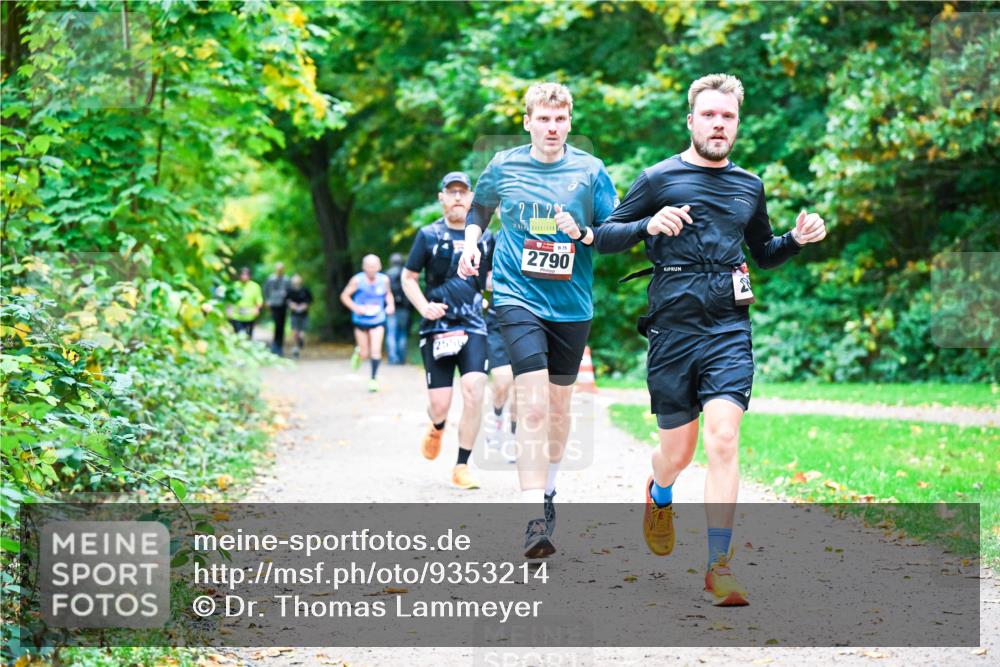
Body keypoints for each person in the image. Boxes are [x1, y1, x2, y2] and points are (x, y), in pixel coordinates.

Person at [594, 73, 827, 606]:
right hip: (673, 329)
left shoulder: (749, 185)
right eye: (709, 115)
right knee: (676, 452)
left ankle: (718, 566)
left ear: (737, 124)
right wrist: (648, 225)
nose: (718, 124)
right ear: (691, 121)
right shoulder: (658, 178)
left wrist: (795, 239)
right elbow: (604, 237)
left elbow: (762, 252)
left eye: (728, 117)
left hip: (728, 326)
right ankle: (659, 491)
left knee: (723, 438)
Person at [458, 82, 619, 558]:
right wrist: (471, 243)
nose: (552, 127)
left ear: (570, 122)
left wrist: (583, 232)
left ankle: (548, 491)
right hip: (516, 296)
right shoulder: (504, 165)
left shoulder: (590, 171)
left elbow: (613, 232)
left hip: (570, 304)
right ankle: (532, 519)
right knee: (531, 405)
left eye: (560, 119)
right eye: (543, 119)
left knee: (558, 408)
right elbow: (480, 208)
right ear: (527, 122)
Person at [402, 171, 491, 490]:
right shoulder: (428, 235)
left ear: (471, 198)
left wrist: (491, 294)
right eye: (451, 192)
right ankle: (437, 426)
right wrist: (423, 306)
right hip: (437, 327)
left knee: (474, 388)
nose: (457, 197)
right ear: (441, 197)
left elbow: (491, 277)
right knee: (440, 404)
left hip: (473, 325)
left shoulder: (486, 237)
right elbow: (408, 277)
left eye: (462, 192)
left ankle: (462, 465)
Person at [340, 255, 395, 392]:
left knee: (375, 350)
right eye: (369, 266)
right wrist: (355, 307)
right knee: (365, 353)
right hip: (361, 320)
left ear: (379, 267)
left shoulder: (384, 280)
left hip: (378, 319)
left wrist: (390, 305)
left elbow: (388, 294)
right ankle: (358, 354)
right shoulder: (357, 280)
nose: (371, 269)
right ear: (364, 267)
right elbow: (344, 296)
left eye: (374, 266)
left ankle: (373, 379)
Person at [384, 253, 412, 365]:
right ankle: (401, 358)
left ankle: (392, 358)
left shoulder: (386, 275)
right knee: (402, 333)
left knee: (391, 333)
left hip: (390, 308)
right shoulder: (405, 274)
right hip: (404, 309)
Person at [226, 267, 263, 338]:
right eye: (242, 275)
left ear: (249, 276)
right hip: (237, 316)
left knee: (248, 336)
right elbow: (229, 300)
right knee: (239, 335)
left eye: (246, 275)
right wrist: (229, 310)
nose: (244, 277)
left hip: (250, 316)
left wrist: (257, 308)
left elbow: (259, 300)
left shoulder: (255, 286)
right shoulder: (234, 286)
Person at [263, 262, 290, 355]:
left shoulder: (286, 279)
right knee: (277, 324)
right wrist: (267, 301)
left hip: (283, 305)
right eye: (278, 268)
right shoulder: (271, 279)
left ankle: (279, 346)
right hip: (273, 304)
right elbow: (266, 290)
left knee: (281, 325)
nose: (279, 270)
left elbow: (290, 291)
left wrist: (287, 297)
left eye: (281, 268)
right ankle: (275, 345)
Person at [286, 274, 313, 359]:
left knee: (301, 333)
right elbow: (286, 300)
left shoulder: (305, 290)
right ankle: (296, 348)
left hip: (304, 314)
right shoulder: (290, 290)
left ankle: (299, 343)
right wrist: (291, 305)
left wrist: (305, 305)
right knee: (295, 332)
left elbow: (310, 300)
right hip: (294, 314)